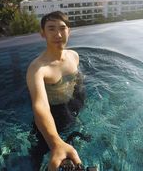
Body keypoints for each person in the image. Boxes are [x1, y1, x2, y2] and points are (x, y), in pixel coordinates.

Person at [26, 11, 85, 170]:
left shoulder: (74, 56)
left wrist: (81, 103)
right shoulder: (37, 69)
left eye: (62, 28)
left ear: (69, 31)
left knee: (76, 138)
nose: (58, 34)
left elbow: (78, 82)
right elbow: (40, 106)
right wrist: (55, 142)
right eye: (51, 29)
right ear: (42, 33)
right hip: (53, 114)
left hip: (72, 106)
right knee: (38, 155)